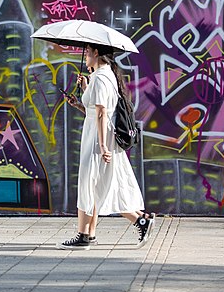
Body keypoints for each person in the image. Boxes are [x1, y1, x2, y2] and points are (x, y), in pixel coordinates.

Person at [57, 43, 155, 250]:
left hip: (96, 140)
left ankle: (88, 234)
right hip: (99, 135)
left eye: (87, 52)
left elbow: (102, 113)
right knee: (98, 184)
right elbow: (96, 111)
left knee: (89, 183)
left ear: (96, 53)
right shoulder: (103, 75)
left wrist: (102, 146)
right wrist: (82, 96)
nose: (85, 57)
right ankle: (89, 234)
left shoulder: (101, 78)